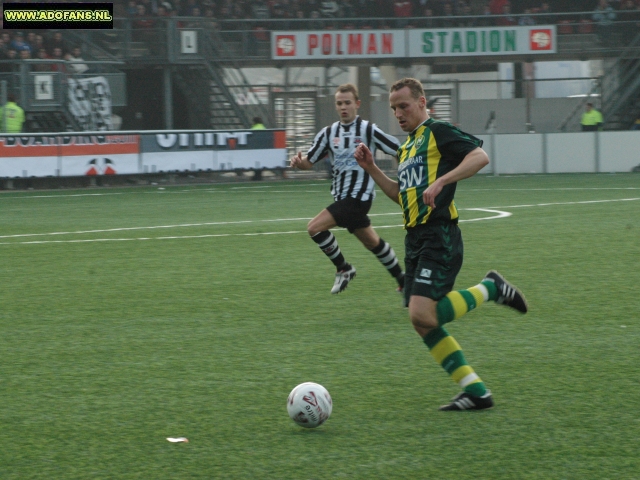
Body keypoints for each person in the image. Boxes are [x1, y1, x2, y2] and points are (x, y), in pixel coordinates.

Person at [354, 78, 528, 411]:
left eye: (403, 106)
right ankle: (476, 392)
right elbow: (401, 196)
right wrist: (373, 168)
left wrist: (443, 180)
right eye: (393, 108)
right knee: (421, 322)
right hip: (414, 239)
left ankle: (491, 288)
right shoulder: (406, 148)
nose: (398, 114)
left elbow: (480, 157)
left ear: (422, 103)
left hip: (439, 234)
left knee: (423, 313)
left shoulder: (438, 131)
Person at [290, 83, 405, 295]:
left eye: (347, 103)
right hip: (342, 198)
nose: (343, 107)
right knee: (373, 243)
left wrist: (408, 169)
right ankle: (403, 280)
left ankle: (344, 268)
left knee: (314, 228)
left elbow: (399, 149)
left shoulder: (368, 130)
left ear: (357, 104)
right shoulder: (328, 133)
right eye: (339, 103)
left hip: (359, 198)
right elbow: (309, 161)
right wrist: (299, 163)